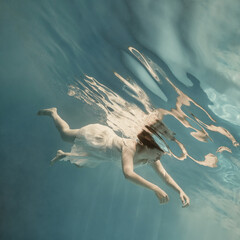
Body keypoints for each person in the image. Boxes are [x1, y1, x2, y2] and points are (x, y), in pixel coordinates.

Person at [38, 107, 190, 207]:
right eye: (159, 153)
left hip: (104, 156)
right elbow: (128, 174)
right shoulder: (130, 147)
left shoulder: (152, 159)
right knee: (65, 134)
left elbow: (165, 176)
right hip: (99, 139)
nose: (160, 157)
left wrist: (180, 191)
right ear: (150, 146)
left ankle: (65, 155)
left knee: (80, 163)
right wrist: (155, 188)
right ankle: (53, 113)